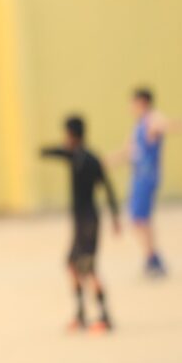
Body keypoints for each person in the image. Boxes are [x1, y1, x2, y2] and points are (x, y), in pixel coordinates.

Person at [41, 116, 120, 333]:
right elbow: (49, 152)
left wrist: (115, 217)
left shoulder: (88, 159)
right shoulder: (76, 156)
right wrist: (115, 217)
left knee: (89, 267)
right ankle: (81, 313)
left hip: (88, 221)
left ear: (72, 135)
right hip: (81, 221)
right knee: (72, 265)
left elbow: (107, 187)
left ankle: (105, 316)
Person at [108, 88, 182, 277]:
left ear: (141, 102)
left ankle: (153, 258)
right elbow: (128, 151)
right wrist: (105, 163)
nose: (130, 107)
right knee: (139, 218)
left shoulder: (152, 118)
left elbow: (163, 124)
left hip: (146, 177)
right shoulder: (139, 126)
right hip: (139, 176)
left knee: (139, 218)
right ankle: (151, 256)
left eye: (133, 103)